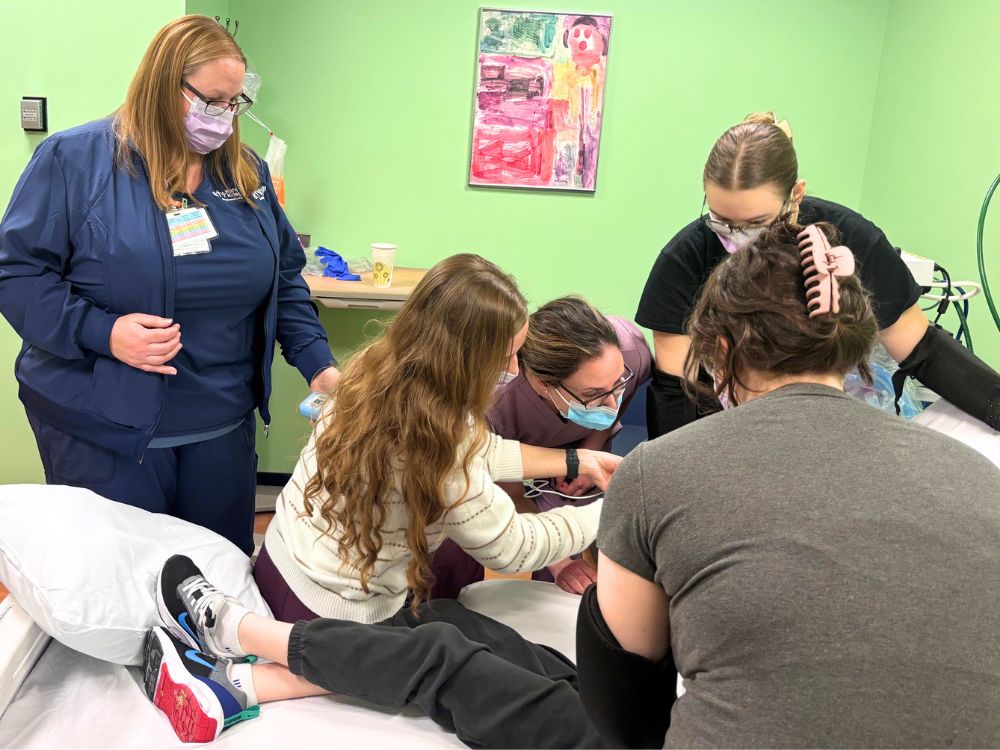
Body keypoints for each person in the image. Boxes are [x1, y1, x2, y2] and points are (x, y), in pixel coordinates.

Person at [142, 253, 615, 747]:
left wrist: (575, 463)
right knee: (440, 653)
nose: (513, 369)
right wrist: (614, 507)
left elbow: (481, 449)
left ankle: (236, 666)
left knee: (479, 635)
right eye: (505, 357)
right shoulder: (441, 437)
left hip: (282, 567)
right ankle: (242, 670)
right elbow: (512, 549)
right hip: (325, 611)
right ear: (467, 358)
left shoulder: (376, 369)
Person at [577, 223, 1000, 748]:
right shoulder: (981, 477)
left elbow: (627, 716)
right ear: (851, 349)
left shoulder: (652, 473)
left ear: (722, 350)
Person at [0, 16, 339, 555]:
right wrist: (102, 332)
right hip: (107, 430)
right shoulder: (76, 161)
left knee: (215, 583)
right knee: (121, 590)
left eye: (236, 103)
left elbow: (283, 279)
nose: (225, 119)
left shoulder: (242, 173)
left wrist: (320, 365)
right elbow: (16, 273)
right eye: (212, 102)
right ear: (164, 87)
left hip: (221, 428)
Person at [636, 112, 1000, 440]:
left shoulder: (852, 239)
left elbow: (921, 348)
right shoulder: (684, 261)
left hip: (834, 418)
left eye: (756, 224)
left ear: (796, 194)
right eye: (720, 220)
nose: (736, 237)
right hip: (722, 420)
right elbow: (676, 389)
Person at [432, 295, 651, 597]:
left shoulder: (631, 351)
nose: (612, 401)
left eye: (618, 383)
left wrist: (589, 452)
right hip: (512, 469)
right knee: (559, 571)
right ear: (542, 383)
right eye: (594, 394)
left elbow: (617, 405)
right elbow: (510, 503)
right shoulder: (496, 403)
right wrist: (559, 562)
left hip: (579, 453)